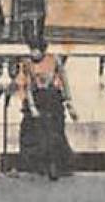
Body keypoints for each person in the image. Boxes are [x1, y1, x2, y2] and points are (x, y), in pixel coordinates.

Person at [13, 36, 75, 180]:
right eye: (32, 50)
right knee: (39, 133)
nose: (34, 53)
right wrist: (32, 106)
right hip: (38, 98)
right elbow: (28, 87)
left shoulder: (54, 60)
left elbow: (64, 80)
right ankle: (41, 165)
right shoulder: (27, 63)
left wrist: (69, 102)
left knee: (56, 132)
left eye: (36, 50)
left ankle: (58, 165)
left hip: (53, 98)